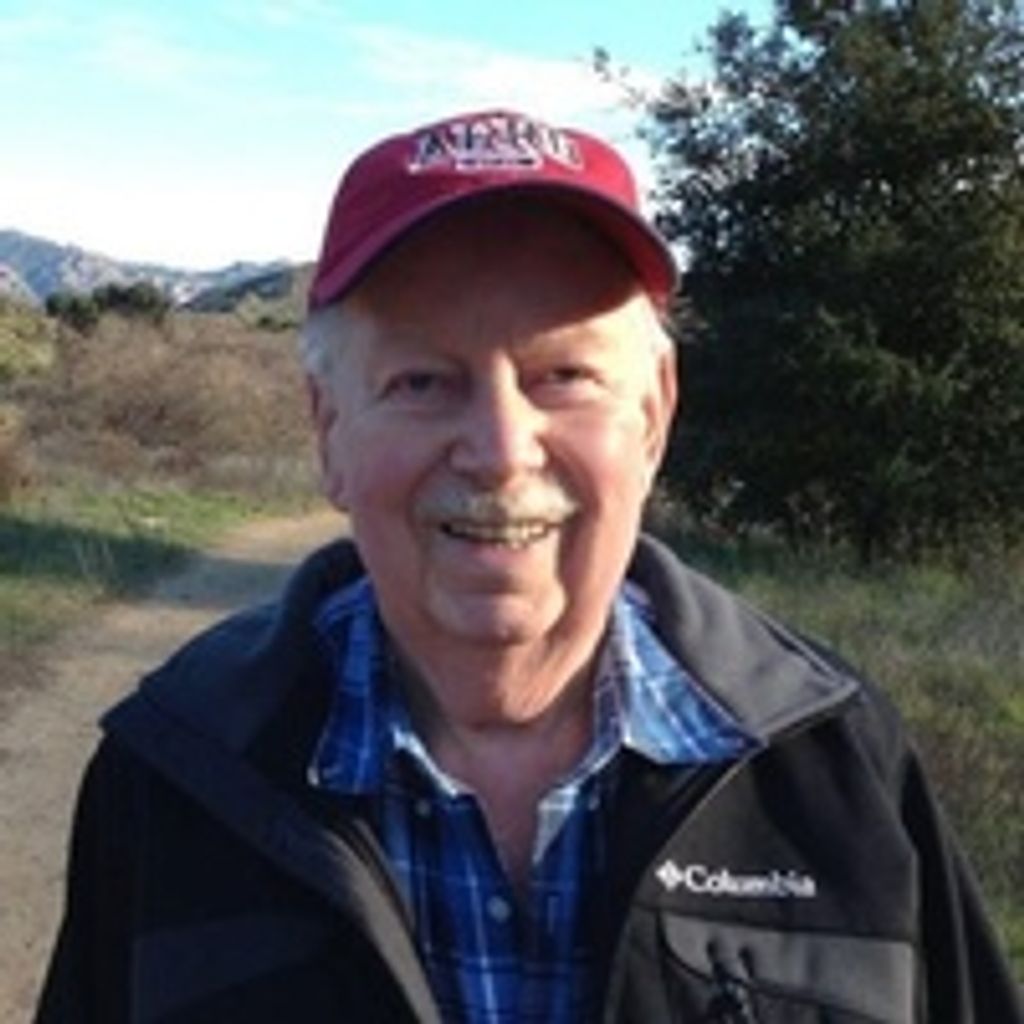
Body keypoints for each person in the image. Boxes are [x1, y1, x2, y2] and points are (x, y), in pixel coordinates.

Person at [36, 109, 1020, 1024]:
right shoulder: (176, 776)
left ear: (653, 416)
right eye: (422, 380)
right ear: (329, 429)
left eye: (564, 377)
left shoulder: (838, 764)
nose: (502, 451)